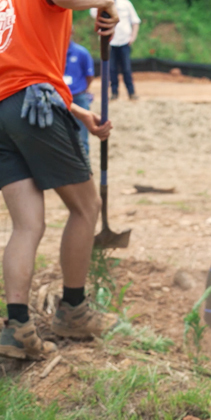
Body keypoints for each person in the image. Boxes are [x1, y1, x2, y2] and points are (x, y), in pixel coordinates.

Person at [0, 0, 120, 360]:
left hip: (3, 111)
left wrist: (81, 112)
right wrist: (107, 1)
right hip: (33, 104)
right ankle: (73, 310)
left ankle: (17, 327)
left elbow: (18, 66)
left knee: (27, 225)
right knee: (86, 207)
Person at [89, 0, 140, 100]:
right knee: (111, 69)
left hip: (124, 41)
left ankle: (131, 92)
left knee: (126, 69)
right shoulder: (100, 2)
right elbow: (93, 13)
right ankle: (114, 93)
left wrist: (132, 37)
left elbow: (135, 21)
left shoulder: (126, 4)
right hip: (109, 42)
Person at [64, 38, 95, 156]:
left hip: (78, 97)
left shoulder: (81, 52)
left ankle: (85, 170)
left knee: (82, 138)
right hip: (58, 99)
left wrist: (82, 90)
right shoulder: (53, 52)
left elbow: (89, 75)